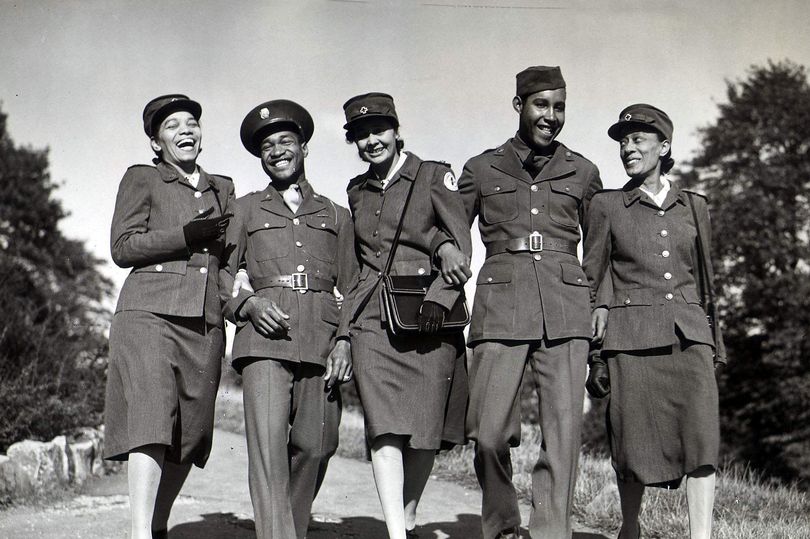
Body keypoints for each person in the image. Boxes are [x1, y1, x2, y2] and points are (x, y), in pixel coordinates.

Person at [456, 66, 603, 539]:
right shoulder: (482, 168)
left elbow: (599, 252)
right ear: (519, 105)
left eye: (559, 107)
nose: (551, 116)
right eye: (542, 105)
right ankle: (501, 525)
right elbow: (450, 234)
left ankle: (549, 533)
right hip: (500, 308)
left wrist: (599, 308)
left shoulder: (583, 171)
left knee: (563, 437)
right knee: (488, 432)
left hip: (567, 309)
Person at [583, 104, 725, 539]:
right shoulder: (607, 205)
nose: (628, 147)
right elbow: (594, 276)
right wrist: (595, 351)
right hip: (629, 341)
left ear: (663, 147)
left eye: (638, 139)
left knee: (701, 438)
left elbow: (706, 279)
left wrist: (715, 341)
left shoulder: (694, 206)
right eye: (623, 141)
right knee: (630, 442)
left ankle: (700, 535)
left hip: (689, 337)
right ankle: (630, 527)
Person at [338, 92, 472, 539]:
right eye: (360, 135)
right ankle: (396, 531)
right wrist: (344, 332)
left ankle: (408, 516)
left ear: (397, 131)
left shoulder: (434, 175)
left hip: (428, 316)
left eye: (378, 131)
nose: (371, 141)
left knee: (425, 432)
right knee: (385, 427)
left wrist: (440, 293)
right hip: (373, 320)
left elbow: (460, 245)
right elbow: (356, 269)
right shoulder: (356, 191)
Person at [104, 94, 235, 539]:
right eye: (172, 125)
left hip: (204, 320)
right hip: (148, 313)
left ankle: (158, 525)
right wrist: (183, 236)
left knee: (193, 434)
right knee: (151, 420)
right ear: (156, 142)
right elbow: (122, 247)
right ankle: (142, 533)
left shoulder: (223, 187)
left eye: (192, 122)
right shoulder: (143, 178)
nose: (185, 130)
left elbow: (231, 261)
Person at [225, 99, 357, 539]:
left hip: (320, 338)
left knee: (317, 446)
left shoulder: (336, 215)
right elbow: (221, 275)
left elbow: (354, 285)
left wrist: (344, 340)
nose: (276, 150)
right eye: (266, 146)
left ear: (304, 147)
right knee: (267, 453)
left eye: (285, 141)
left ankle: (291, 530)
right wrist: (248, 305)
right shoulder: (244, 210)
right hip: (263, 341)